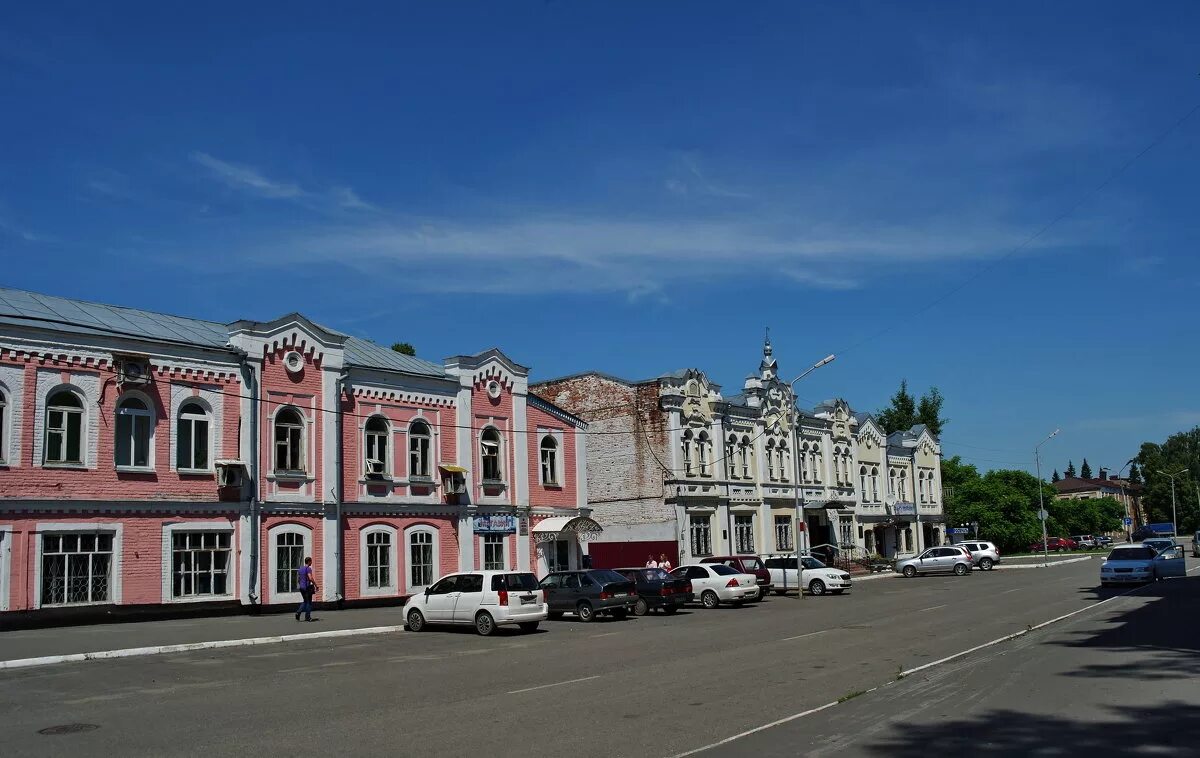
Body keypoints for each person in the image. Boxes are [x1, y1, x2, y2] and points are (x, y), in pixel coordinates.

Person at [295, 556, 317, 622]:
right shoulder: (308, 568)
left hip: (301, 588)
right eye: (311, 561)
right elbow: (310, 578)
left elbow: (298, 579)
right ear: (309, 561)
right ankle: (308, 617)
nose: (311, 562)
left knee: (305, 601)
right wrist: (315, 585)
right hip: (307, 587)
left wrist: (300, 584)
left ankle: (298, 612)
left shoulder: (300, 569)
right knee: (309, 602)